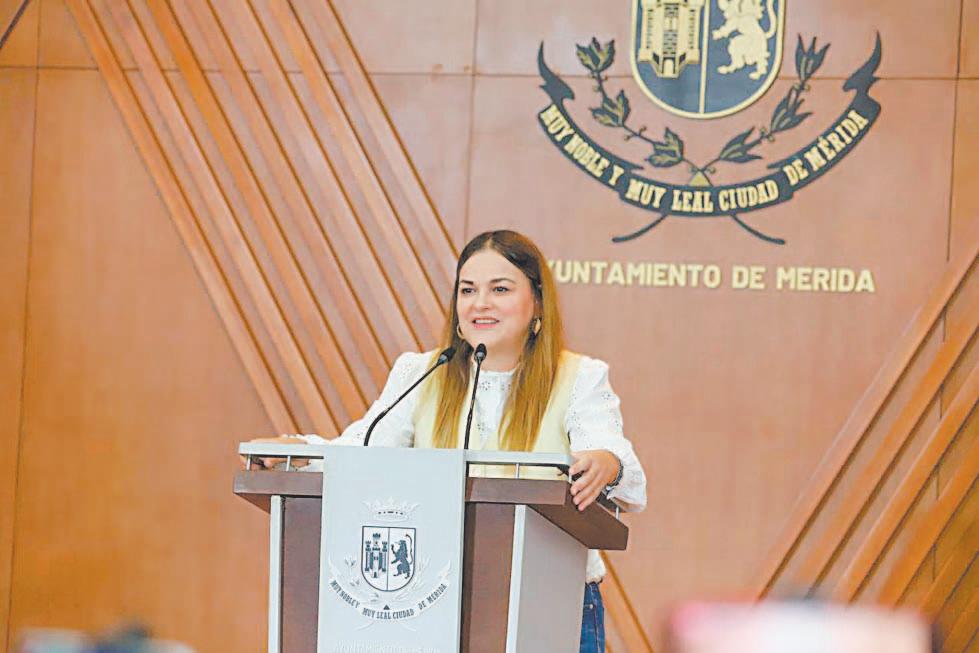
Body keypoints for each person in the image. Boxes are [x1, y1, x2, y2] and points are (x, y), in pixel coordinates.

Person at [247, 230, 647, 652]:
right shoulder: (422, 372)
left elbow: (623, 473)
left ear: (537, 302)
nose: (480, 303)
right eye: (468, 290)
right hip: (438, 606)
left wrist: (607, 464)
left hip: (554, 603)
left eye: (500, 289)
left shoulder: (579, 377)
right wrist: (298, 454)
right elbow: (362, 452)